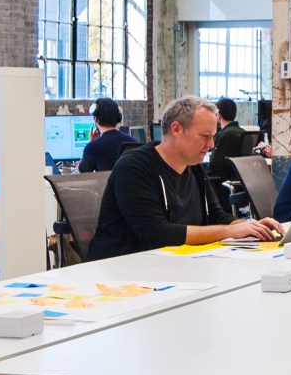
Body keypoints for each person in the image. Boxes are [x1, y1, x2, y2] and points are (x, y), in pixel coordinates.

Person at [88, 96, 280, 260]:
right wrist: (230, 231)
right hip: (124, 270)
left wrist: (249, 226)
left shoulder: (195, 168)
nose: (211, 145)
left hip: (174, 264)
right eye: (205, 136)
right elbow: (157, 234)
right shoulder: (133, 168)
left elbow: (216, 216)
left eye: (213, 136)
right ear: (176, 129)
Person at [77, 97, 132, 172]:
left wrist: (91, 142)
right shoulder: (132, 141)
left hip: (106, 180)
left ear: (96, 119)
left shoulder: (93, 147)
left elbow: (82, 171)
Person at [206, 97, 250, 182]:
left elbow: (215, 166)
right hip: (239, 181)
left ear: (218, 115)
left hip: (222, 183)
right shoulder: (242, 132)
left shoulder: (226, 135)